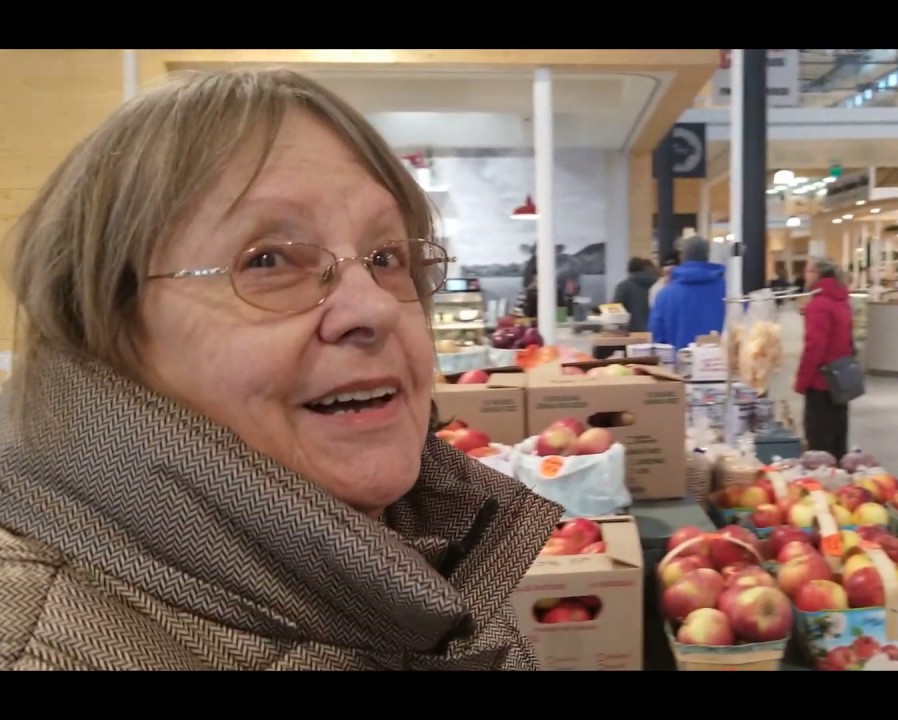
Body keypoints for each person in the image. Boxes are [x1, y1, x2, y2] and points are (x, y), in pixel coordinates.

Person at [0, 68, 563, 671]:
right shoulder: (38, 646)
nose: (375, 305)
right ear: (105, 324)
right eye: (267, 260)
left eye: (386, 257)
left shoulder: (428, 548)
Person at [793, 256, 854, 458]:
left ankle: (821, 484)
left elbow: (815, 348)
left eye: (808, 271)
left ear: (817, 275)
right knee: (838, 437)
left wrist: (801, 382)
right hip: (840, 382)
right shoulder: (841, 300)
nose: (805, 275)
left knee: (819, 443)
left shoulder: (819, 305)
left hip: (821, 383)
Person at [649, 237, 725, 350]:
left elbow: (658, 341)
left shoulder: (664, 296)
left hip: (677, 365)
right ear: (707, 256)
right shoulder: (729, 292)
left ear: (681, 257)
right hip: (721, 364)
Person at [612, 257, 659, 332]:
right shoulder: (659, 284)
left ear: (629, 270)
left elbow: (615, 313)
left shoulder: (624, 287)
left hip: (633, 334)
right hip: (656, 333)